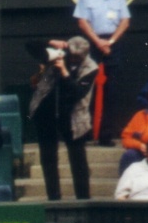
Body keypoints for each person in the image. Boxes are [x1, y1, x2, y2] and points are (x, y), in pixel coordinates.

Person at [28, 37, 98, 200]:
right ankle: (53, 197)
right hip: (48, 112)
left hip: (73, 116)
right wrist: (52, 43)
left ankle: (83, 198)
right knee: (48, 158)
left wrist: (65, 72)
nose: (71, 59)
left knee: (78, 160)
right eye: (70, 55)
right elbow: (30, 45)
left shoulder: (91, 67)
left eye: (76, 57)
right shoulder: (59, 55)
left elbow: (78, 93)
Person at [73, 0, 131, 144]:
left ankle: (106, 135)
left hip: (113, 43)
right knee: (85, 86)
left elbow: (125, 22)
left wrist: (111, 41)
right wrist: (98, 42)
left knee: (111, 91)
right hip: (92, 42)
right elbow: (82, 22)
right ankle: (84, 132)